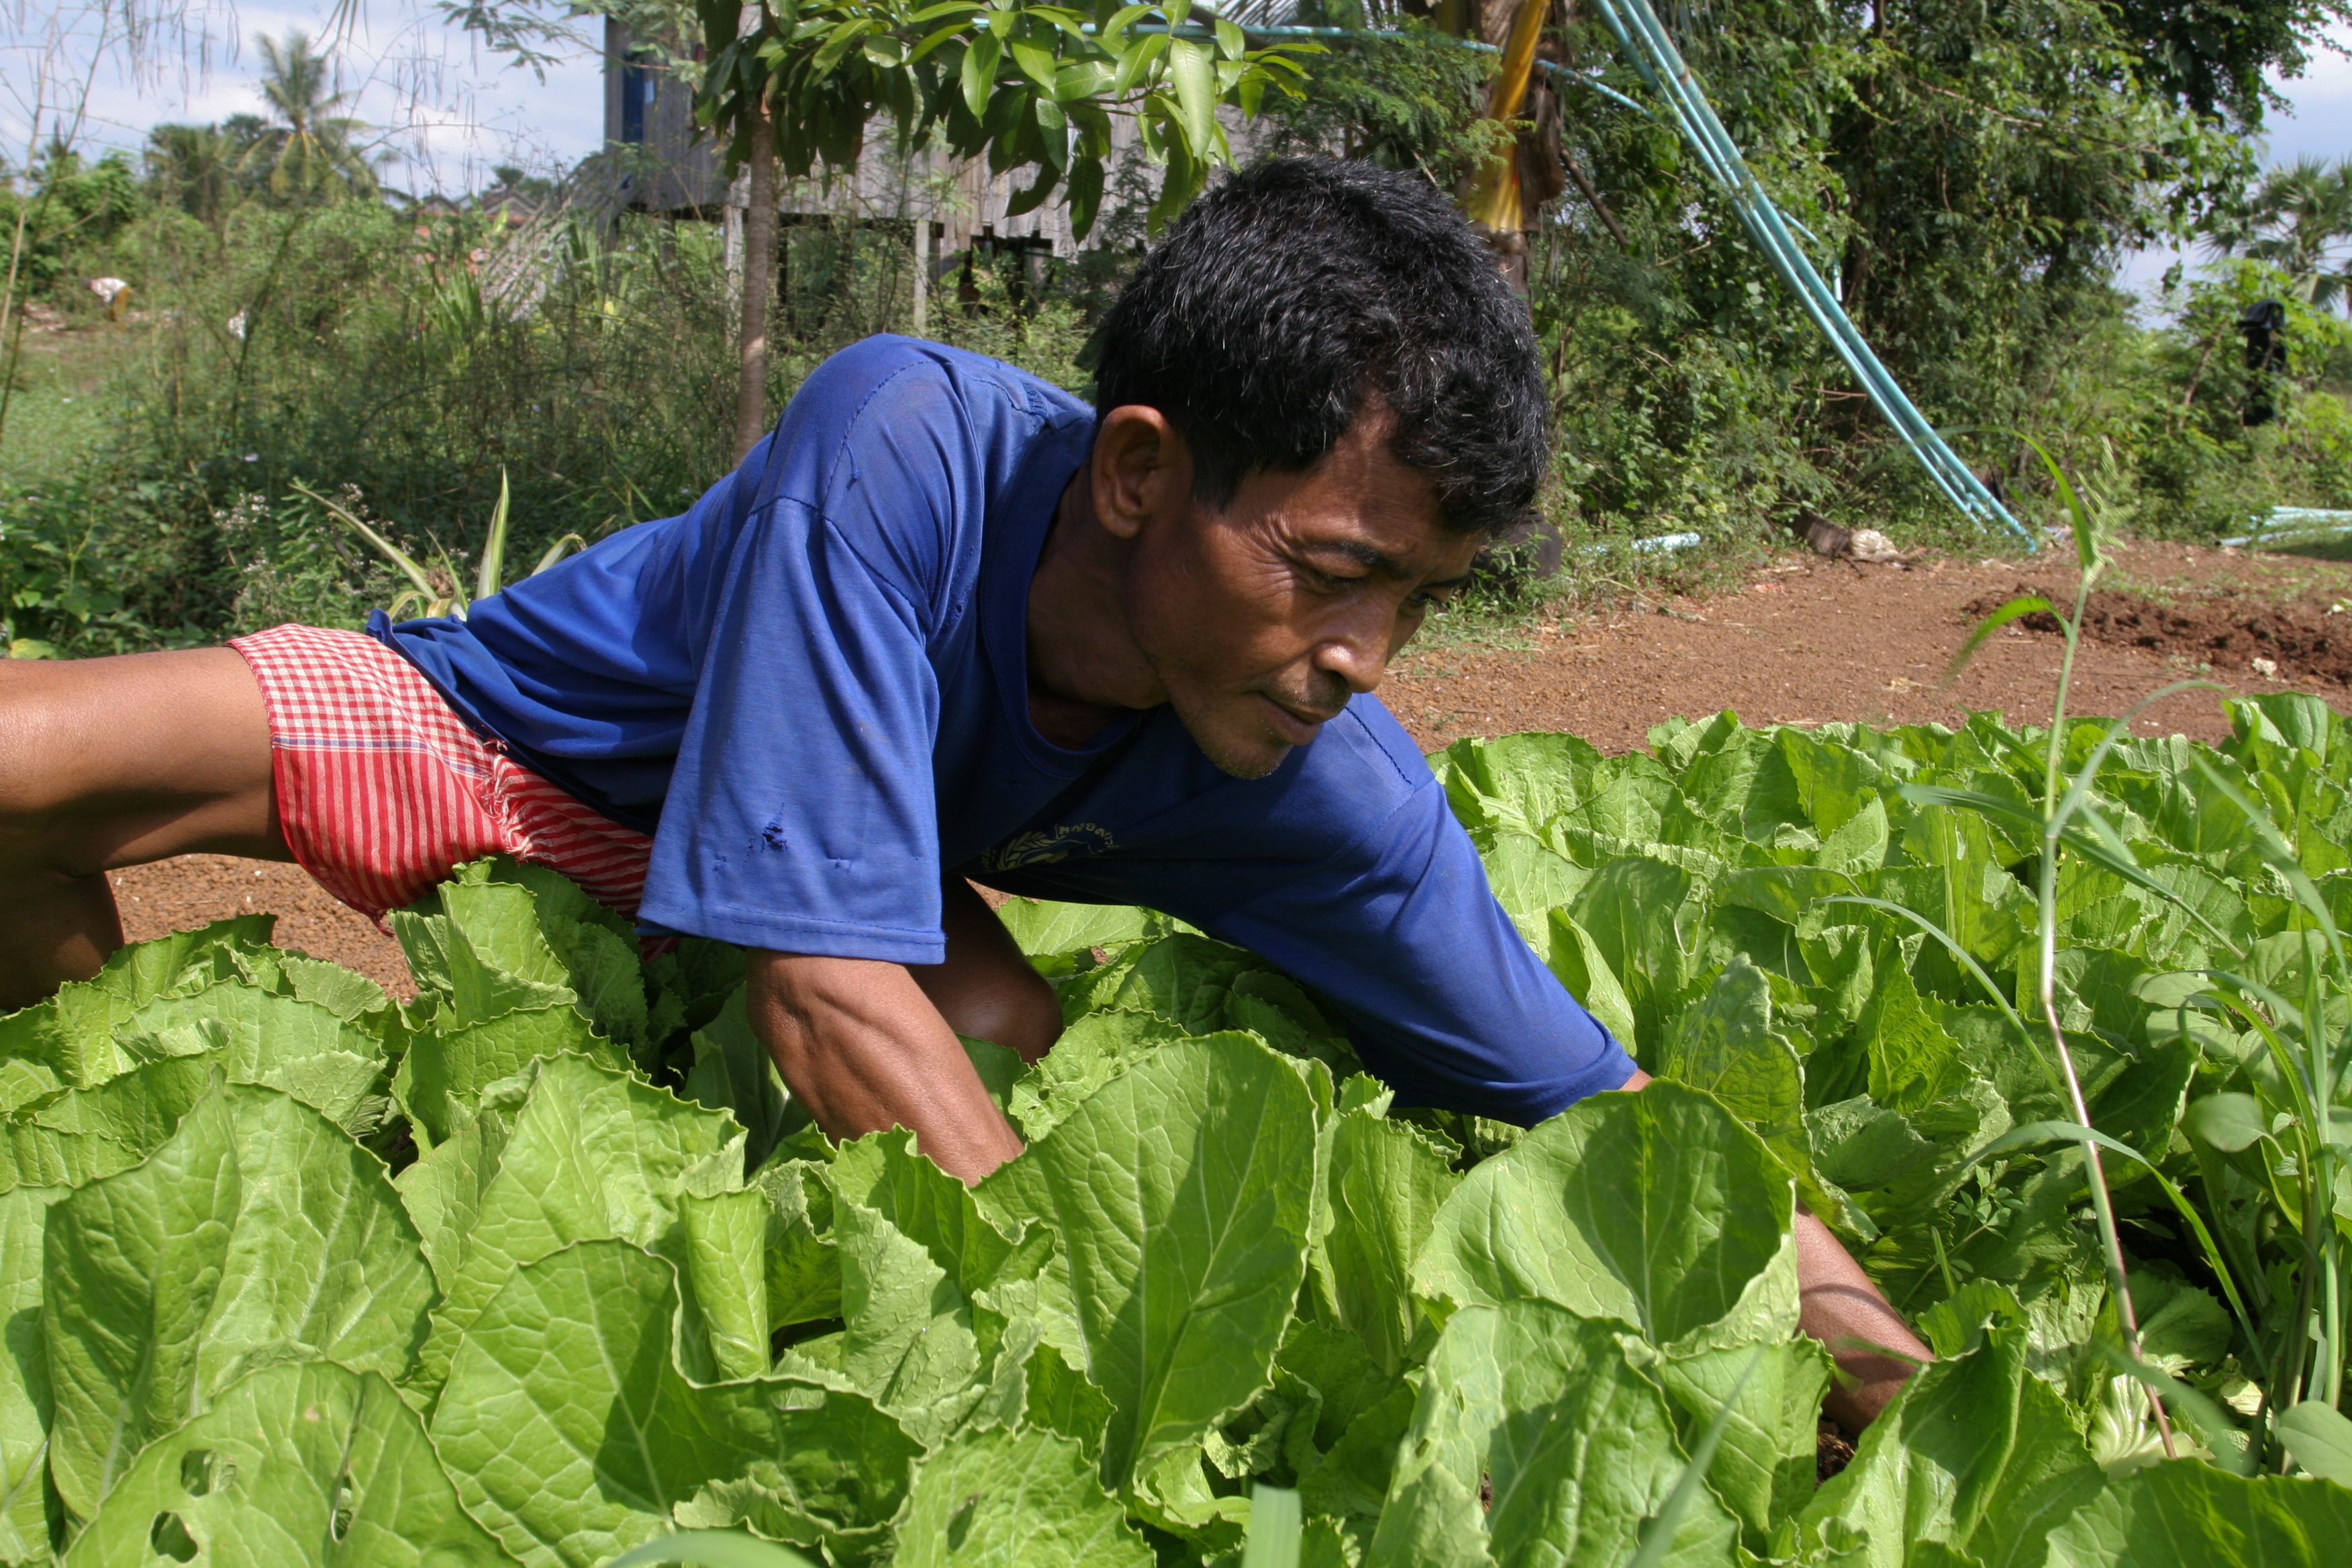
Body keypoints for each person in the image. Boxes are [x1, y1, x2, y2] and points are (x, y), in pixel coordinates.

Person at [0, 157, 1928, 1424]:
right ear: (1140, 474)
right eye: (1334, 571)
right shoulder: (902, 445)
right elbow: (829, 990)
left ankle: (623, 1182)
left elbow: (1600, 1108)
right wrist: (1096, 1387)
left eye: (1418, 599)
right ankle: (78, 1091)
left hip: (792, 889)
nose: (1366, 656)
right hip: (515, 747)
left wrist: (1899, 1388)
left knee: (995, 1022)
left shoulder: (1316, 775)